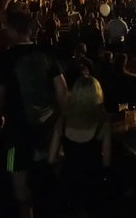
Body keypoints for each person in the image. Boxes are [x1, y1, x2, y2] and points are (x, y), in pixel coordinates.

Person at [0, 10, 68, 218]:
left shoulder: (6, 59)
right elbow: (62, 93)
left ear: (13, 30)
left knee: (20, 189)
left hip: (17, 135)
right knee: (49, 186)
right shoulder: (47, 53)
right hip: (48, 134)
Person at [48, 75, 112, 216]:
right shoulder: (103, 123)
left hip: (69, 182)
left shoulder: (62, 121)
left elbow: (51, 159)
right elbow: (106, 162)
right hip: (93, 183)